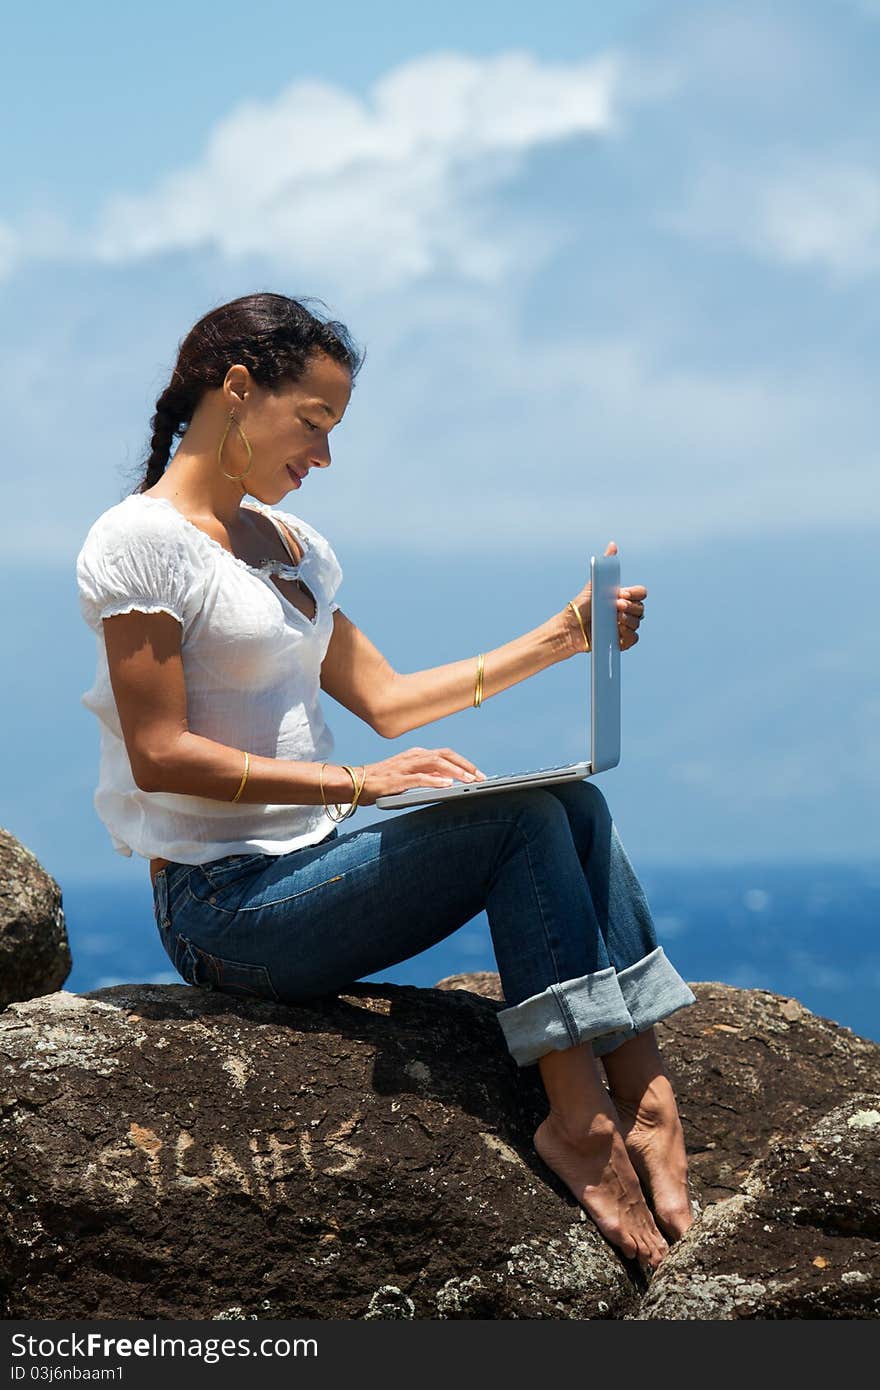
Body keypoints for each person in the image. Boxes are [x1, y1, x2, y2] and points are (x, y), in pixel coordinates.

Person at [76, 291, 697, 1275]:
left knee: (570, 802)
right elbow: (162, 753)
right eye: (313, 422)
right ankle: (578, 1123)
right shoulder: (139, 542)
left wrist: (562, 637)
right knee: (518, 826)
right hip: (225, 906)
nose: (322, 456)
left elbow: (390, 699)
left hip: (316, 864)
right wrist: (353, 786)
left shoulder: (291, 550)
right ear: (236, 390)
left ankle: (647, 1098)